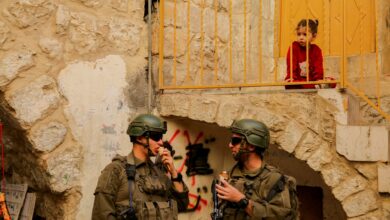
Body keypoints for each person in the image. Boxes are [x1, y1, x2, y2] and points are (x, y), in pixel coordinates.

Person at [92, 114, 189, 219]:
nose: (161, 142)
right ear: (139, 137)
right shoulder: (116, 170)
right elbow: (102, 215)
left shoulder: (160, 173)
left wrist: (173, 172)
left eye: (161, 137)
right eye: (156, 137)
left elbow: (182, 205)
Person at [215, 119, 298, 219]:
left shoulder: (274, 180)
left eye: (235, 141)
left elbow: (281, 216)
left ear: (251, 146)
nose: (230, 145)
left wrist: (242, 200)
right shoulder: (230, 175)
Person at [285, 19, 334, 89]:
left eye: (305, 34)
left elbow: (318, 68)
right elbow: (291, 66)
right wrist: (291, 78)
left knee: (332, 81)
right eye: (299, 34)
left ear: (314, 36)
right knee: (291, 84)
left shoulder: (316, 50)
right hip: (297, 80)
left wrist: (319, 80)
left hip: (311, 81)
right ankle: (314, 86)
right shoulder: (294, 47)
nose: (301, 37)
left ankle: (316, 85)